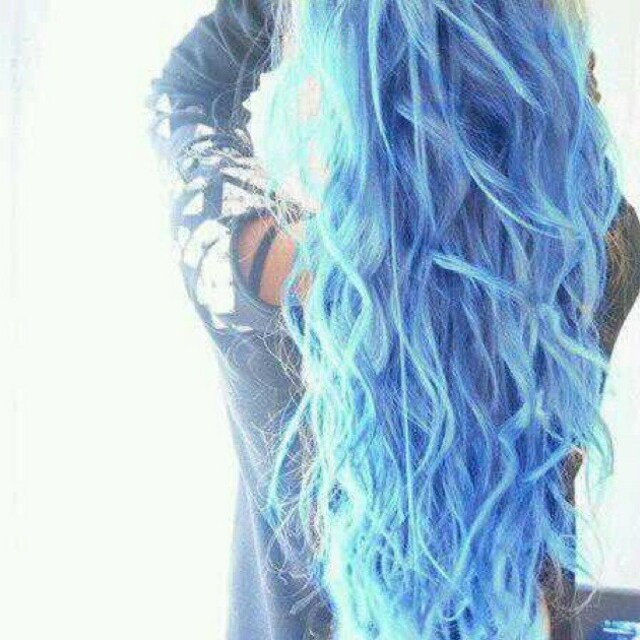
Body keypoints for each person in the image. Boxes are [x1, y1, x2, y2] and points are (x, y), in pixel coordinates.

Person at [146, 2, 640, 638]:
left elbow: (188, 94)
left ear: (340, 80)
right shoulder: (599, 264)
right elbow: (580, 152)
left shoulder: (253, 270)